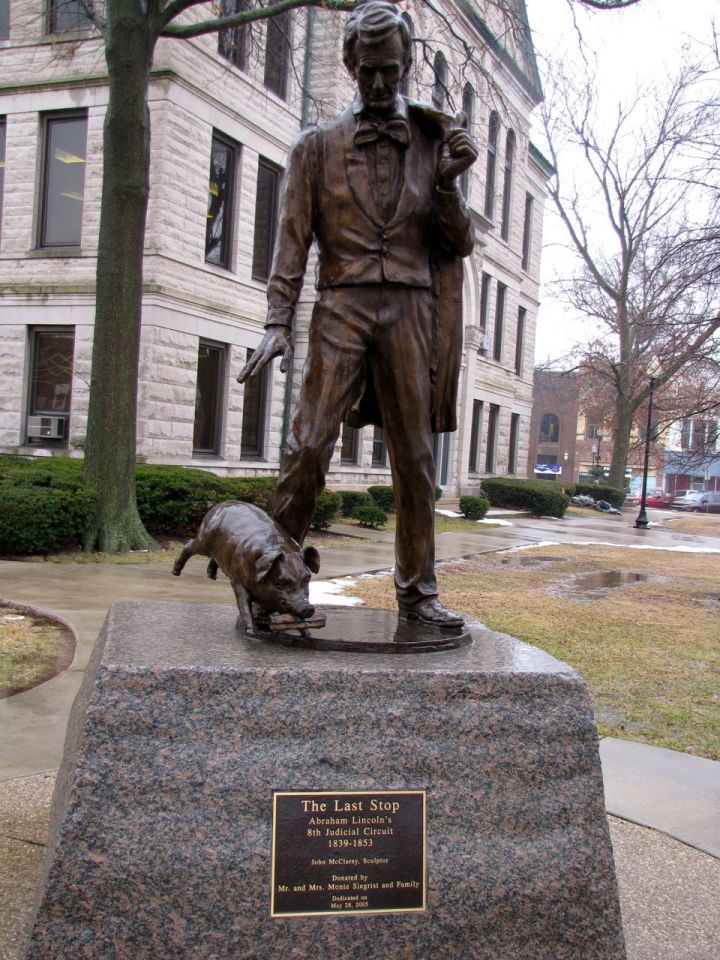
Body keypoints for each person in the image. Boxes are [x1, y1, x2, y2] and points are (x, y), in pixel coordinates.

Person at [239, 0, 478, 627]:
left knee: (416, 459)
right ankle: (271, 581)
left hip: (410, 310)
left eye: (391, 72)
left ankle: (418, 594)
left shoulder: (433, 143)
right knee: (309, 444)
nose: (378, 84)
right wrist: (275, 321)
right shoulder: (315, 147)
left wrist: (450, 183)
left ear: (405, 68)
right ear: (351, 65)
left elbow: (458, 243)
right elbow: (291, 240)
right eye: (368, 71)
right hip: (340, 304)